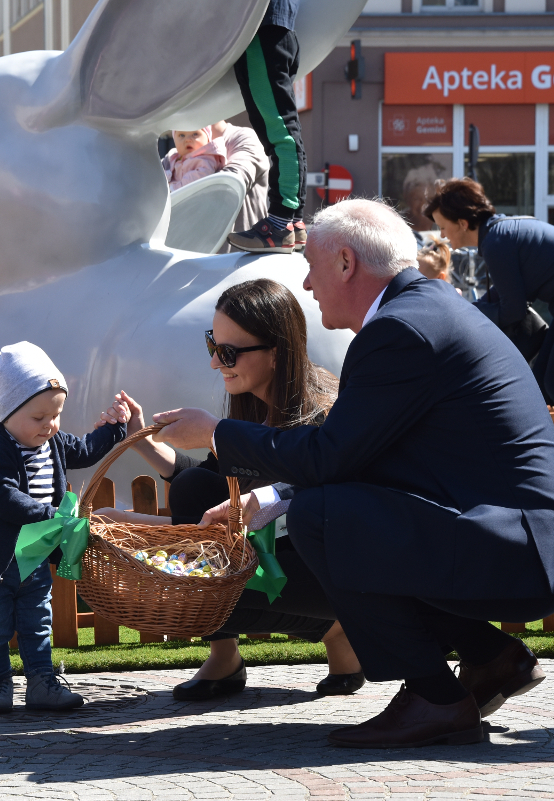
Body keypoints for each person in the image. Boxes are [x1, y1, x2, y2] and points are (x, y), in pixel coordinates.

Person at [152, 198, 554, 749]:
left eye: (313, 268)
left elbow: (329, 458)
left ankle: (436, 699)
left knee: (326, 518)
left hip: (518, 548)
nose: (309, 285)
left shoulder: (400, 331)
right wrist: (270, 497)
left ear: (346, 262)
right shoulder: (424, 310)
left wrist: (216, 434)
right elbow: (359, 457)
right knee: (335, 511)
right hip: (520, 536)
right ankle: (491, 659)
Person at [95, 279, 364, 701]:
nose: (215, 363)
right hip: (269, 557)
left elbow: (313, 502)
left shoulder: (322, 412)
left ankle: (338, 628)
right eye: (212, 345)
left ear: (275, 350)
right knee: (193, 488)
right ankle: (225, 656)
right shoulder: (252, 402)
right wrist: (143, 441)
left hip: (328, 570)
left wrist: (145, 532)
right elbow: (204, 484)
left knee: (198, 583)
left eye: (228, 352)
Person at [0, 342, 131, 714]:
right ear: (7, 413)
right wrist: (51, 514)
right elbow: (5, 498)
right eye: (38, 417)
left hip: (31, 557)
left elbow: (84, 449)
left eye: (57, 414)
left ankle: (41, 682)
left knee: (37, 621)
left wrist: (114, 429)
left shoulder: (52, 444)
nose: (50, 425)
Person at [425, 179, 554, 411]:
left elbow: (514, 309)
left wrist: (472, 317)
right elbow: (505, 294)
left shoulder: (496, 242)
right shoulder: (497, 234)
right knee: (542, 381)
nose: (442, 235)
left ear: (462, 223)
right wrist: (469, 311)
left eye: (442, 227)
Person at [226, 0, 307, 254]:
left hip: (262, 30)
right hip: (273, 28)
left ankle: (280, 224)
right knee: (281, 129)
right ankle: (291, 222)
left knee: (280, 131)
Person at [211, 119, 270, 253]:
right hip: (193, 264)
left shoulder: (243, 138)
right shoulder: (175, 156)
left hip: (239, 263)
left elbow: (231, 183)